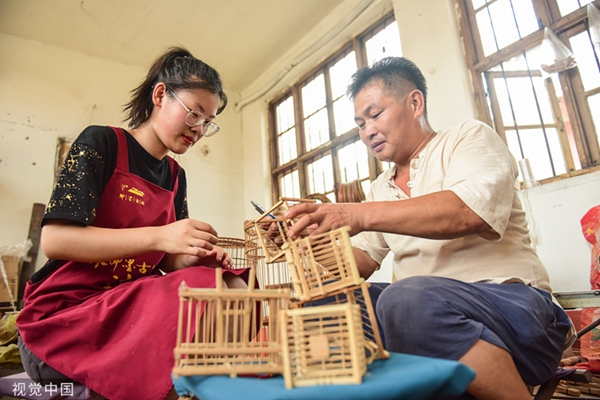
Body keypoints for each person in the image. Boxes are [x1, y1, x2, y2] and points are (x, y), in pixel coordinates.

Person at [284, 57, 573, 400]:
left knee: (405, 299)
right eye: (360, 124)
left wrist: (357, 214)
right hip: (417, 318)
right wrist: (307, 239)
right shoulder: (381, 187)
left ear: (415, 103)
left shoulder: (467, 138)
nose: (367, 132)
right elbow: (359, 263)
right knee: (329, 302)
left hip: (516, 311)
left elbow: (468, 212)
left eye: (375, 115)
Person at [16, 46, 250, 400]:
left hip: (126, 308)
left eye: (208, 122)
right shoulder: (101, 142)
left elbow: (168, 260)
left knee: (232, 284)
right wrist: (162, 236)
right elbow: (55, 240)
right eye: (194, 114)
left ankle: (217, 389)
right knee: (208, 290)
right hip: (63, 321)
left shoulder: (175, 176)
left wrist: (194, 256)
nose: (199, 129)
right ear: (160, 95)